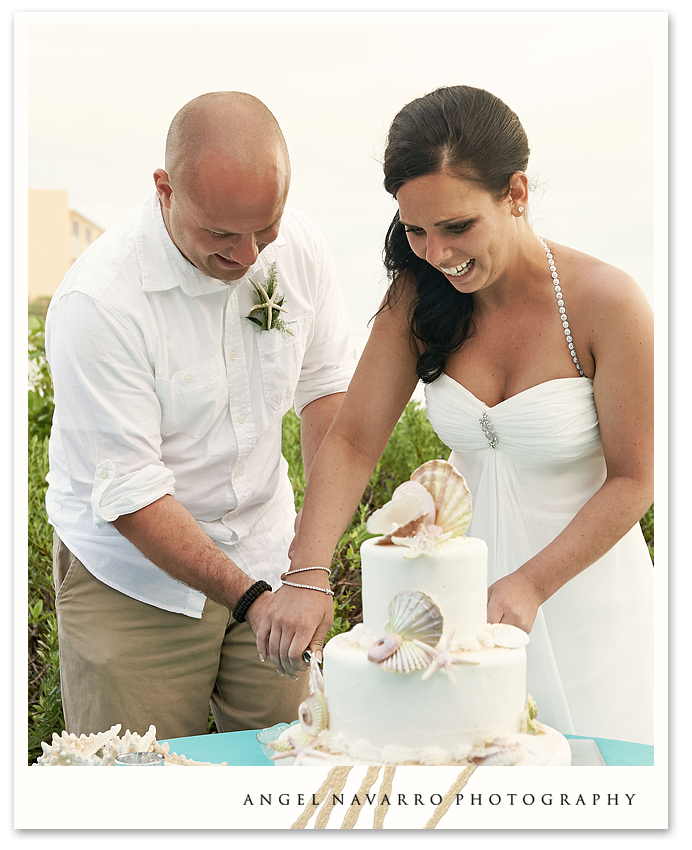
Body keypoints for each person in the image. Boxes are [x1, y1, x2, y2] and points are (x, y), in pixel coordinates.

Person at [287, 85, 654, 745]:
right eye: (415, 230)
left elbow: (634, 479)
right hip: (464, 604)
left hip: (586, 601)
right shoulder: (416, 299)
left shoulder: (609, 302)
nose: (436, 253)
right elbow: (352, 441)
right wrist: (307, 572)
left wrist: (532, 585)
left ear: (515, 193)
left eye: (456, 227)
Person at [45, 91, 355, 739]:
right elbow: (132, 494)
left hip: (271, 556)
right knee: (140, 799)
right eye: (219, 234)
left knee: (290, 774)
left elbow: (328, 395)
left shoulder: (298, 249)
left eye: (263, 229)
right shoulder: (97, 301)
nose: (247, 258)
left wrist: (309, 569)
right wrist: (250, 599)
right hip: (131, 577)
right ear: (164, 189)